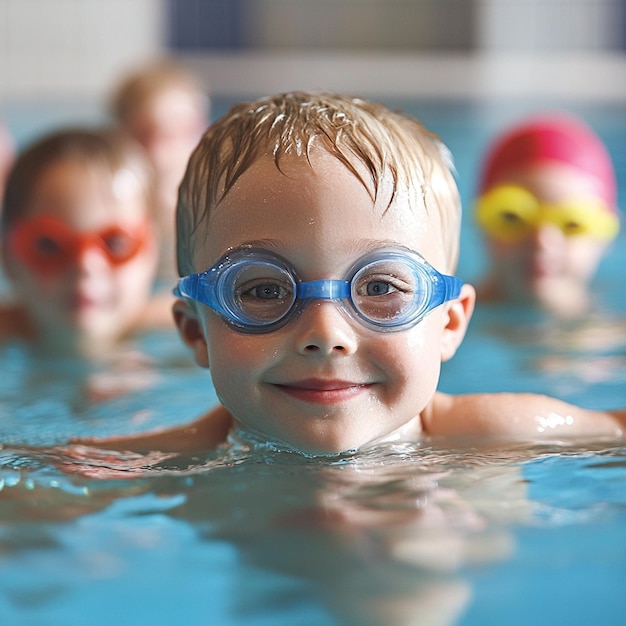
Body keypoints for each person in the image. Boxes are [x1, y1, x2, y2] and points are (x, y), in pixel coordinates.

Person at [82, 92, 626, 457]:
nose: (325, 335)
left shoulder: (493, 437)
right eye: (265, 289)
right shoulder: (168, 460)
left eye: (381, 288)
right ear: (195, 330)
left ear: (449, 324)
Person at [0, 127, 173, 358]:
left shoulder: (184, 327)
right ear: (9, 258)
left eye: (115, 244)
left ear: (152, 252)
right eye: (50, 245)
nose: (85, 265)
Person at [473, 113, 620, 318]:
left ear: (606, 234)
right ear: (481, 220)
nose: (541, 240)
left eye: (572, 223)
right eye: (513, 216)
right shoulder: (441, 319)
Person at [109, 58, 210, 280]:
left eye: (186, 130)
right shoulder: (113, 214)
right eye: (157, 134)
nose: (173, 149)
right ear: (122, 139)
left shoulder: (213, 207)